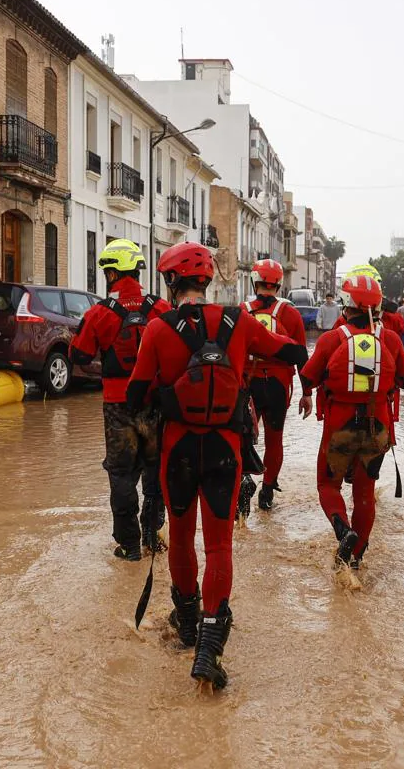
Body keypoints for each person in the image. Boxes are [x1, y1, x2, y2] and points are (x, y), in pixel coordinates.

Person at [127, 242, 307, 692]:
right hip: (227, 448)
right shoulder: (240, 321)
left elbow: (135, 396)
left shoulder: (157, 329)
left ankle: (186, 624)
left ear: (171, 281)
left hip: (178, 449)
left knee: (183, 538)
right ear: (208, 281)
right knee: (220, 546)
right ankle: (210, 646)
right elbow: (293, 354)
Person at [299, 266, 404, 576]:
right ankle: (357, 556)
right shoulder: (388, 339)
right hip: (377, 427)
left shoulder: (332, 339)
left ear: (346, 306)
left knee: (327, 485)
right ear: (376, 307)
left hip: (338, 426)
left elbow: (307, 377)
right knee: (364, 493)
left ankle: (341, 529)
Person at [70, 239, 171, 561]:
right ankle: (153, 536)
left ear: (112, 273)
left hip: (118, 406)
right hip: (155, 403)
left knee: (121, 474)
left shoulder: (98, 313)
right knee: (155, 472)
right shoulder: (160, 308)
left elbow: (80, 354)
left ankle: (128, 546)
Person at [244, 258, 307, 513]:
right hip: (279, 384)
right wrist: (308, 393)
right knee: (275, 439)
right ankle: (267, 489)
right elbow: (302, 356)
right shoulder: (290, 313)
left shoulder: (242, 311)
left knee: (242, 437)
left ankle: (243, 479)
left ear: (254, 282)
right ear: (279, 285)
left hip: (247, 383)